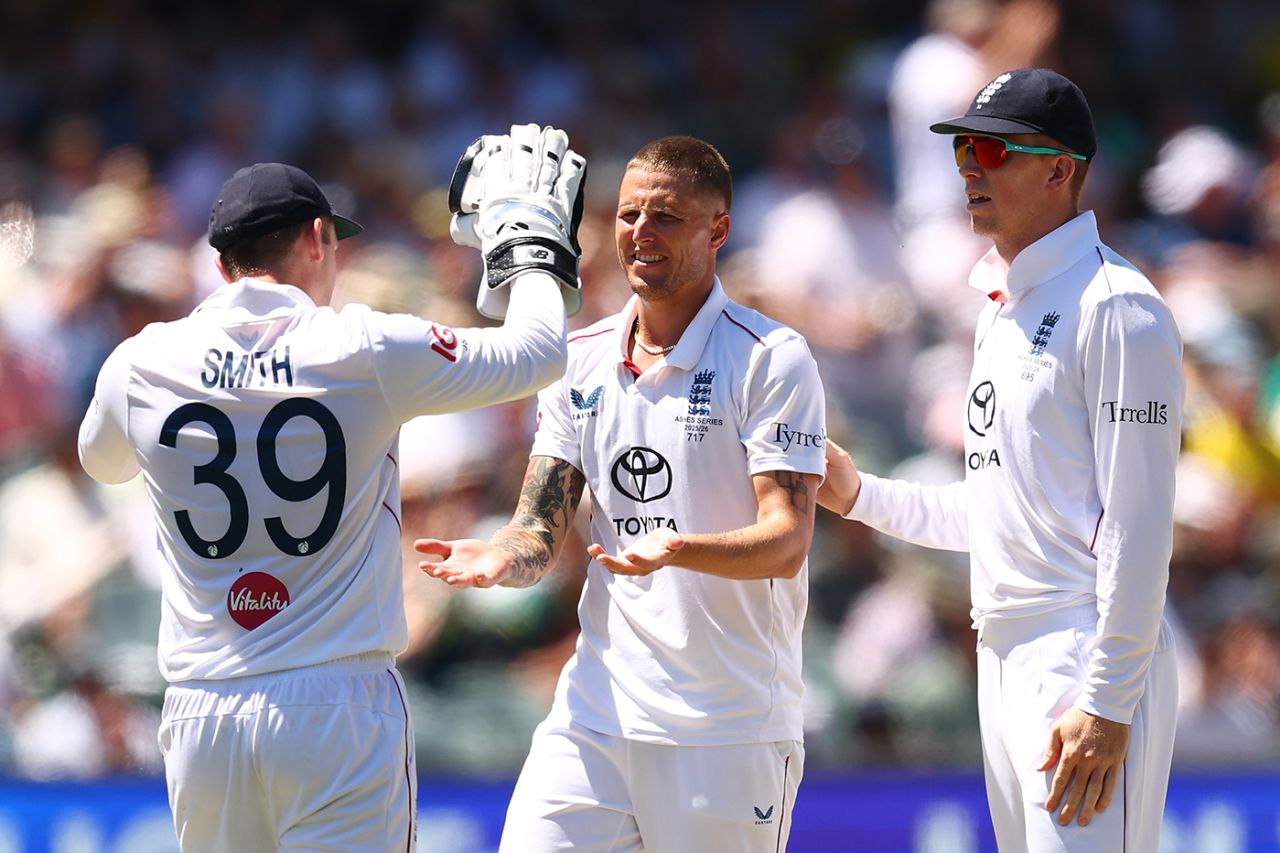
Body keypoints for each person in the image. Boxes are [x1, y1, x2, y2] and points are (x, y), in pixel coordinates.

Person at [77, 124, 584, 852]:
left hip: (202, 711)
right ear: (319, 238)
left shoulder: (141, 361)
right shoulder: (365, 346)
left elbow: (103, 463)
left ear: (223, 267)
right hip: (335, 703)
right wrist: (528, 241)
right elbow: (538, 352)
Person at [415, 136, 827, 852]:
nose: (640, 232)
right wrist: (499, 557)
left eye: (665, 216)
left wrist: (678, 550)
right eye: (629, 215)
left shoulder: (771, 357)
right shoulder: (582, 357)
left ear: (718, 230)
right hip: (598, 709)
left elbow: (787, 541)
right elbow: (538, 530)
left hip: (725, 725)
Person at [819, 68, 1183, 852]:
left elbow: (1141, 523)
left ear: (1059, 170)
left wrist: (1109, 700)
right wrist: (859, 494)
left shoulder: (1117, 307)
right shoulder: (1001, 307)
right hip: (1005, 649)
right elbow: (998, 511)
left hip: (1082, 655)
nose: (969, 170)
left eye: (989, 149)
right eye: (961, 152)